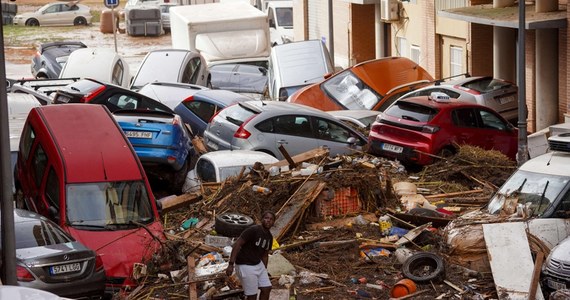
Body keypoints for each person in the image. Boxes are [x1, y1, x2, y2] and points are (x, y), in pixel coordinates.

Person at [225, 211, 276, 300]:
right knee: (252, 295)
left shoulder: (269, 237)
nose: (268, 221)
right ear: (262, 219)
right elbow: (238, 244)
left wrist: (265, 269)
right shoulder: (253, 230)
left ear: (273, 222)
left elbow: (265, 255)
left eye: (271, 219)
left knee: (266, 288)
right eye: (266, 218)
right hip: (245, 264)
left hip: (257, 263)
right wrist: (231, 264)